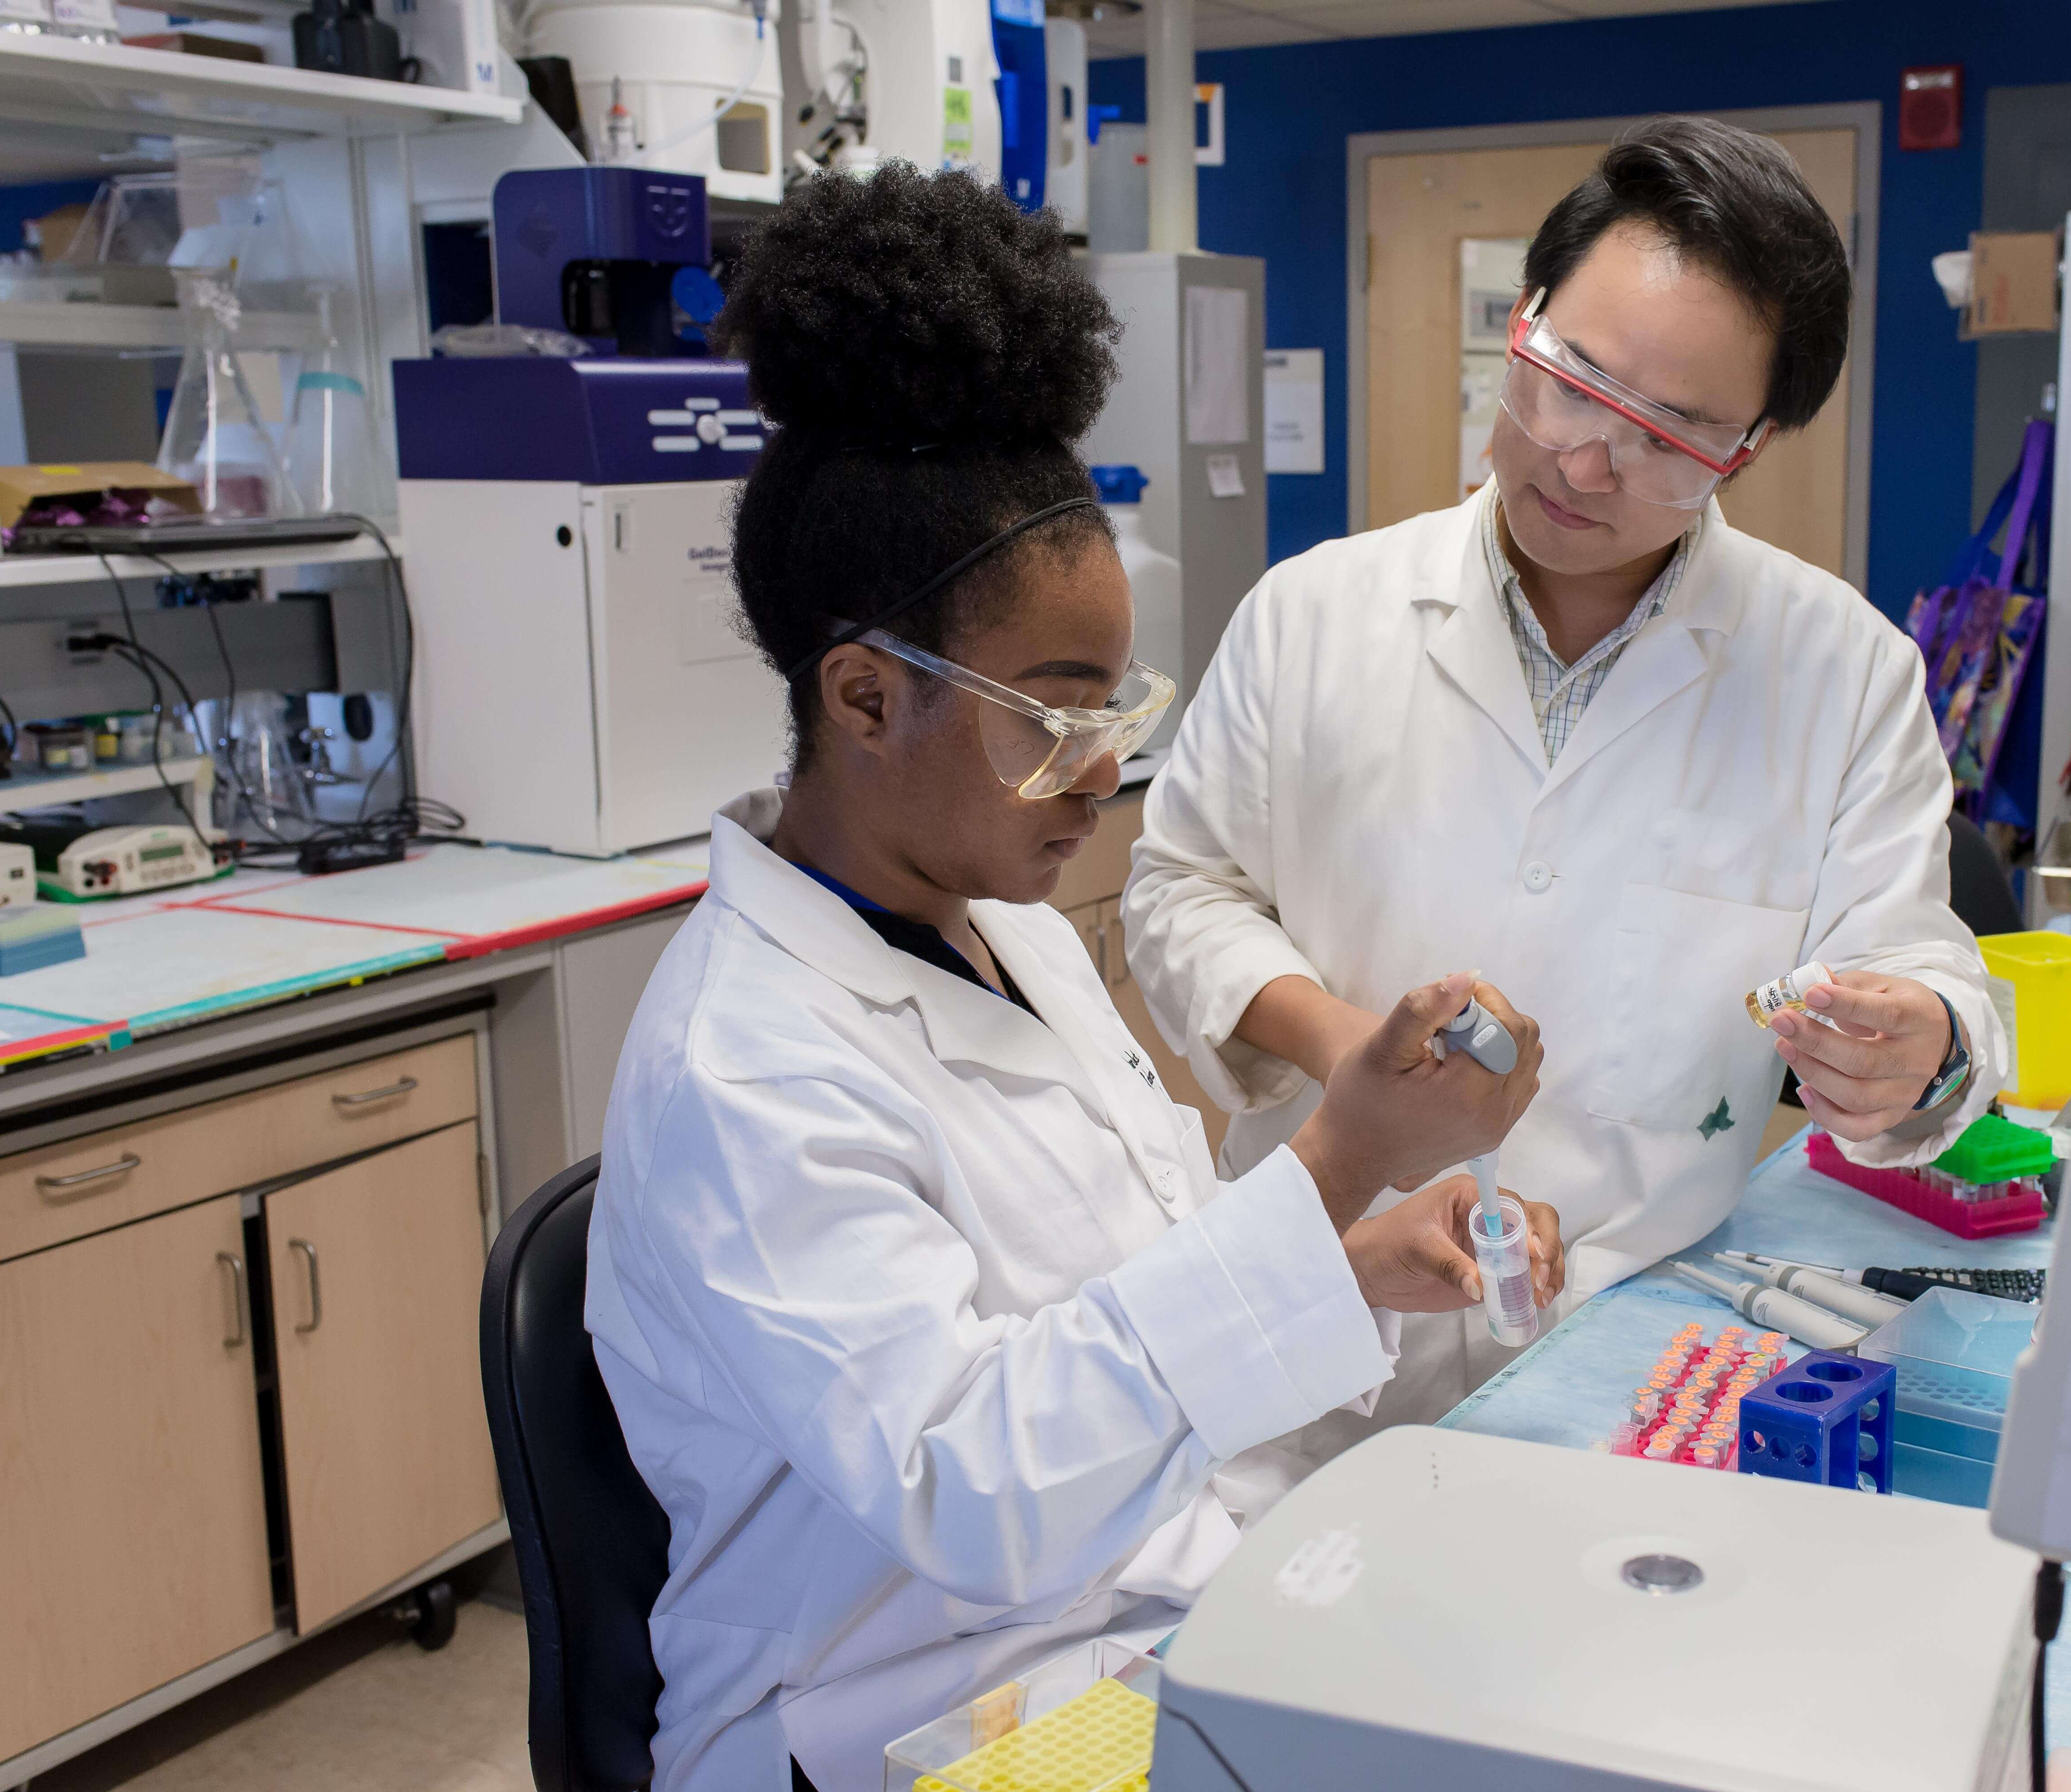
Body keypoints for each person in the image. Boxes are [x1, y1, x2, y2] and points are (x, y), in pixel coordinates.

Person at [584, 167, 1560, 1792]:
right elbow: (974, 1487)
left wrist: (1347, 1247)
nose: (1103, 772)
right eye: (1053, 717)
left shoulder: (1010, 924)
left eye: (1115, 708)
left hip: (1112, 1625)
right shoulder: (740, 1065)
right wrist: (1337, 1151)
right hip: (877, 1719)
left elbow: (1128, 1269)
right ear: (864, 696)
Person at [1123, 117, 2005, 1453]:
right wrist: (1347, 1055)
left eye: (1671, 434)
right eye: (1568, 381)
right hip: (1317, 1322)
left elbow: (1912, 965)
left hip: (1633, 1361)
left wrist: (1918, 1043)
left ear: (1749, 448)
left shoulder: (1843, 672)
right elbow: (1181, 888)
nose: (1584, 459)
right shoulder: (1312, 614)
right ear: (1524, 317)